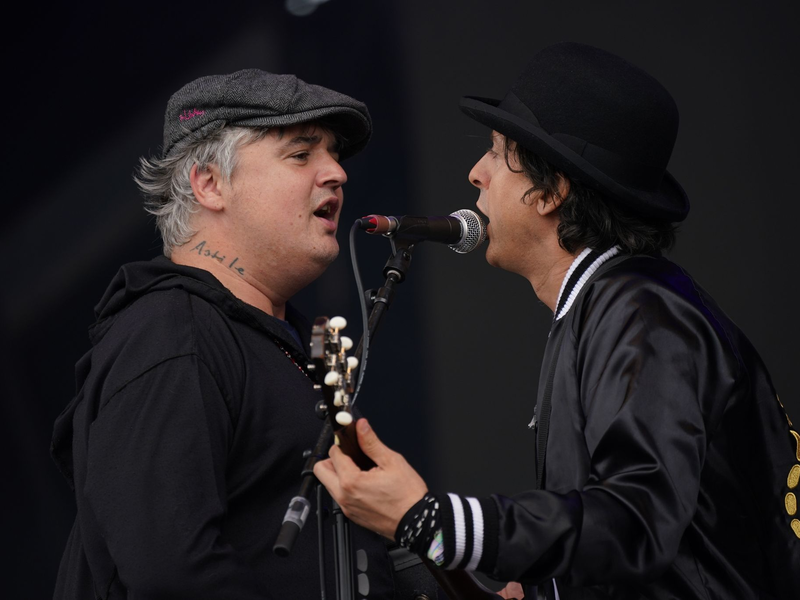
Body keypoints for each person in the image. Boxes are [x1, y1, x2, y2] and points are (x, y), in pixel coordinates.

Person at [314, 43, 800, 599]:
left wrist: (433, 521)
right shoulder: (608, 306)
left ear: (551, 192)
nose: (475, 174)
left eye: (497, 154)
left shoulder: (643, 314)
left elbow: (636, 524)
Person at [50, 69, 400, 599]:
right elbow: (171, 572)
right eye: (301, 154)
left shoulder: (288, 342)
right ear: (210, 184)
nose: (336, 173)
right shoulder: (170, 333)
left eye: (333, 155)